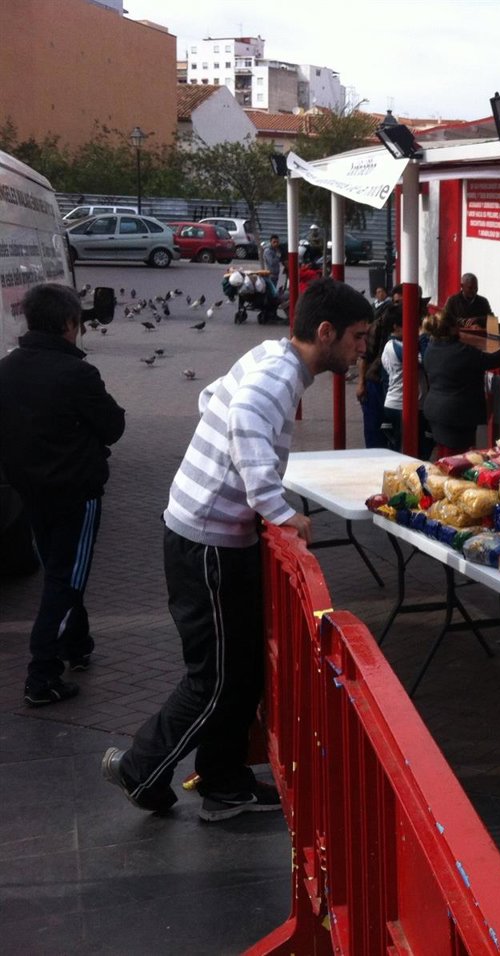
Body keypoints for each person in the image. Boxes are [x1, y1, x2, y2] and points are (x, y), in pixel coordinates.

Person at [102, 279, 371, 822]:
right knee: (217, 675)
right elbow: (244, 416)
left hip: (209, 535)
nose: (363, 348)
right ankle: (140, 769)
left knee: (242, 669)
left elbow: (213, 398)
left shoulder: (270, 357)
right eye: (359, 337)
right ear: (326, 332)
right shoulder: (275, 376)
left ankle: (225, 783)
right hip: (207, 542)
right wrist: (278, 509)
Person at [0, 283, 125, 706]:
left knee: (62, 569)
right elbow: (113, 426)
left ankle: (77, 643)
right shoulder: (78, 374)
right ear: (70, 324)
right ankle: (42, 674)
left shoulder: (7, 368)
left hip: (29, 490)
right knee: (65, 580)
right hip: (76, 493)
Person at [423, 310, 500, 457]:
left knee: (444, 455)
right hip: (458, 414)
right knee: (459, 459)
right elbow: (492, 361)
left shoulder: (430, 349)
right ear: (453, 328)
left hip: (435, 410)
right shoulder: (462, 351)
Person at [380, 304, 431, 457]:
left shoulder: (394, 345)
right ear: (396, 326)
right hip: (401, 405)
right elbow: (426, 361)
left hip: (403, 404)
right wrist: (422, 338)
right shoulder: (396, 346)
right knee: (406, 454)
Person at [356, 284, 401, 448]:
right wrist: (361, 383)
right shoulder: (380, 324)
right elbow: (364, 356)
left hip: (396, 388)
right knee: (375, 431)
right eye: (397, 302)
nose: (400, 306)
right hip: (376, 381)